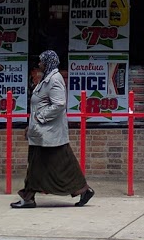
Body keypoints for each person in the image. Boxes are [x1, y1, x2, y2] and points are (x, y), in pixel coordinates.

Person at [12, 50, 93, 208]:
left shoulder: (54, 80)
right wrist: (32, 124)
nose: (39, 64)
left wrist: (39, 117)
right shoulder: (46, 79)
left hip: (48, 132)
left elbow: (59, 104)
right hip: (42, 131)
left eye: (42, 61)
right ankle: (82, 189)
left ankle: (28, 197)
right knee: (48, 163)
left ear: (48, 62)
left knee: (44, 163)